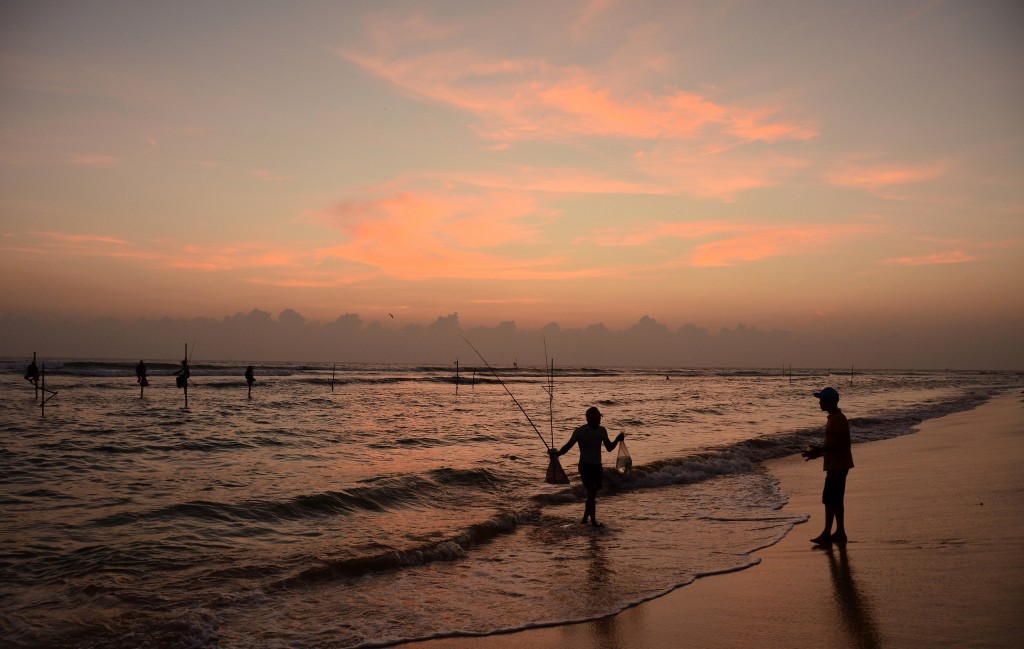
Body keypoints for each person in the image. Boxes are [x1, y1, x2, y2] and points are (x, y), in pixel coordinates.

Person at [549, 407, 625, 527]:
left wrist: (617, 439)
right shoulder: (580, 432)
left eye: (600, 418)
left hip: (597, 466)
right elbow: (567, 447)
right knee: (591, 492)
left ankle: (584, 520)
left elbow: (609, 448)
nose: (599, 420)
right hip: (585, 466)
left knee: (592, 494)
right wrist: (556, 454)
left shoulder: (602, 431)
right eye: (597, 418)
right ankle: (593, 522)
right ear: (589, 419)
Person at [802, 386, 854, 545]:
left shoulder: (838, 419)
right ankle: (838, 532)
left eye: (821, 400)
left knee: (831, 500)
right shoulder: (834, 418)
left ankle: (829, 533)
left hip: (838, 466)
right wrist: (818, 453)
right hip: (836, 464)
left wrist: (821, 449)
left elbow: (844, 444)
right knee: (834, 500)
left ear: (829, 402)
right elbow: (836, 445)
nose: (819, 403)